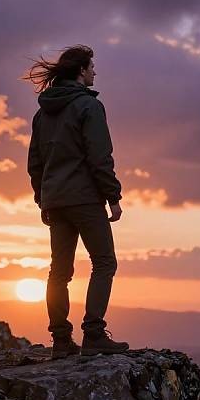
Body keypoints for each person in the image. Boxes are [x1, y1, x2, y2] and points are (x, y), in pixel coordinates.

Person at [22, 44, 130, 359]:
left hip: (55, 201)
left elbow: (35, 163)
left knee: (59, 271)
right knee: (105, 262)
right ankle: (94, 334)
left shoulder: (43, 113)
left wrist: (43, 199)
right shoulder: (89, 107)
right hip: (83, 198)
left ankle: (61, 341)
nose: (95, 72)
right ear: (81, 71)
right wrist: (113, 196)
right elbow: (99, 156)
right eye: (92, 68)